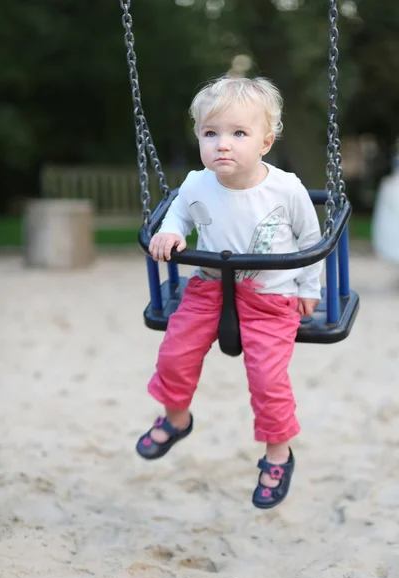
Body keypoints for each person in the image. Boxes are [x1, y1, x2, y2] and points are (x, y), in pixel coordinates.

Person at [136, 76, 323, 509]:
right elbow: (177, 217)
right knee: (174, 355)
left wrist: (309, 288)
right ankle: (176, 419)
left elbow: (311, 241)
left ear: (265, 141)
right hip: (207, 289)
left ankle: (278, 453)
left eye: (238, 133)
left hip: (271, 298)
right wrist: (169, 235)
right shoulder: (196, 184)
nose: (223, 144)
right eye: (211, 133)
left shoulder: (286, 189)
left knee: (267, 379)